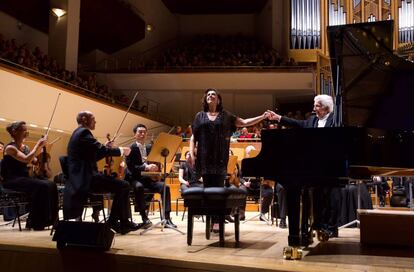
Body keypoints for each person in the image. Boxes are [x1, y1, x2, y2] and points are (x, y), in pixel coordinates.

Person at [269, 94, 340, 244]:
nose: (314, 108)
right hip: (313, 166)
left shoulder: (336, 120)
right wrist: (279, 118)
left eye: (317, 105)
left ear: (326, 107)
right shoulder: (313, 120)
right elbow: (297, 123)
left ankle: (330, 227)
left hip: (331, 165)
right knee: (315, 195)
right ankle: (315, 226)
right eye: (315, 105)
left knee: (330, 196)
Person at [63, 111, 139, 234]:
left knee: (122, 185)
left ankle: (122, 222)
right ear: (84, 119)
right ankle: (115, 221)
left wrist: (106, 147)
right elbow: (100, 150)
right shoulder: (84, 132)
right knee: (124, 186)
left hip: (81, 178)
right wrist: (120, 150)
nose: (95, 121)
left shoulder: (77, 133)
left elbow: (94, 156)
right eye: (93, 118)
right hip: (86, 179)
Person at [190, 88, 272, 188]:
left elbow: (244, 122)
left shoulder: (226, 116)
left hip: (220, 159)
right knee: (206, 191)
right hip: (203, 159)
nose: (210, 95)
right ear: (205, 99)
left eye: (213, 94)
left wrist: (262, 117)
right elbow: (193, 137)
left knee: (218, 191)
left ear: (218, 100)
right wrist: (192, 155)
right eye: (208, 95)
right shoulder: (199, 116)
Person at [0, 121, 58, 230]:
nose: (27, 132)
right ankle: (35, 222)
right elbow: (26, 159)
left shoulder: (25, 147)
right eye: (24, 130)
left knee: (51, 184)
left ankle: (52, 220)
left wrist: (44, 152)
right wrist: (37, 145)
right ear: (15, 132)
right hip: (12, 179)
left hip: (24, 179)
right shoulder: (10, 148)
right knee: (42, 186)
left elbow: (35, 161)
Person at [125, 124, 176, 228]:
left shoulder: (149, 148)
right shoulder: (131, 148)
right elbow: (131, 167)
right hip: (134, 178)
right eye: (140, 132)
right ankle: (144, 218)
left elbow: (156, 161)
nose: (143, 134)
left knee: (165, 187)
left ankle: (166, 218)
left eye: (144, 132)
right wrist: (146, 167)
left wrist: (156, 167)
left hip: (147, 178)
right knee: (139, 187)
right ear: (135, 134)